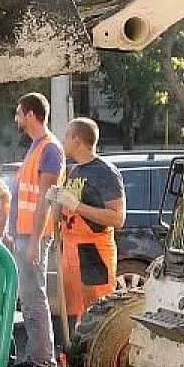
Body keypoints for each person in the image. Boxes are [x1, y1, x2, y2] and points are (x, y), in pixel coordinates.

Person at [48, 117, 126, 334]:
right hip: (70, 251)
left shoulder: (105, 172)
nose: (62, 140)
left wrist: (78, 206)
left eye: (66, 135)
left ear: (77, 139)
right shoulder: (73, 172)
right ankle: (72, 361)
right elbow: (61, 215)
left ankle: (94, 362)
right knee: (72, 316)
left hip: (93, 253)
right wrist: (55, 201)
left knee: (97, 316)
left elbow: (117, 219)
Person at [10, 92, 65, 367]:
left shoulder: (50, 149)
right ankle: (35, 359)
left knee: (34, 299)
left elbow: (44, 200)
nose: (16, 118)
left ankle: (44, 364)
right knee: (28, 300)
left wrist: (33, 241)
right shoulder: (36, 148)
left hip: (33, 238)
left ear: (30, 114)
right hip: (23, 236)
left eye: (18, 113)